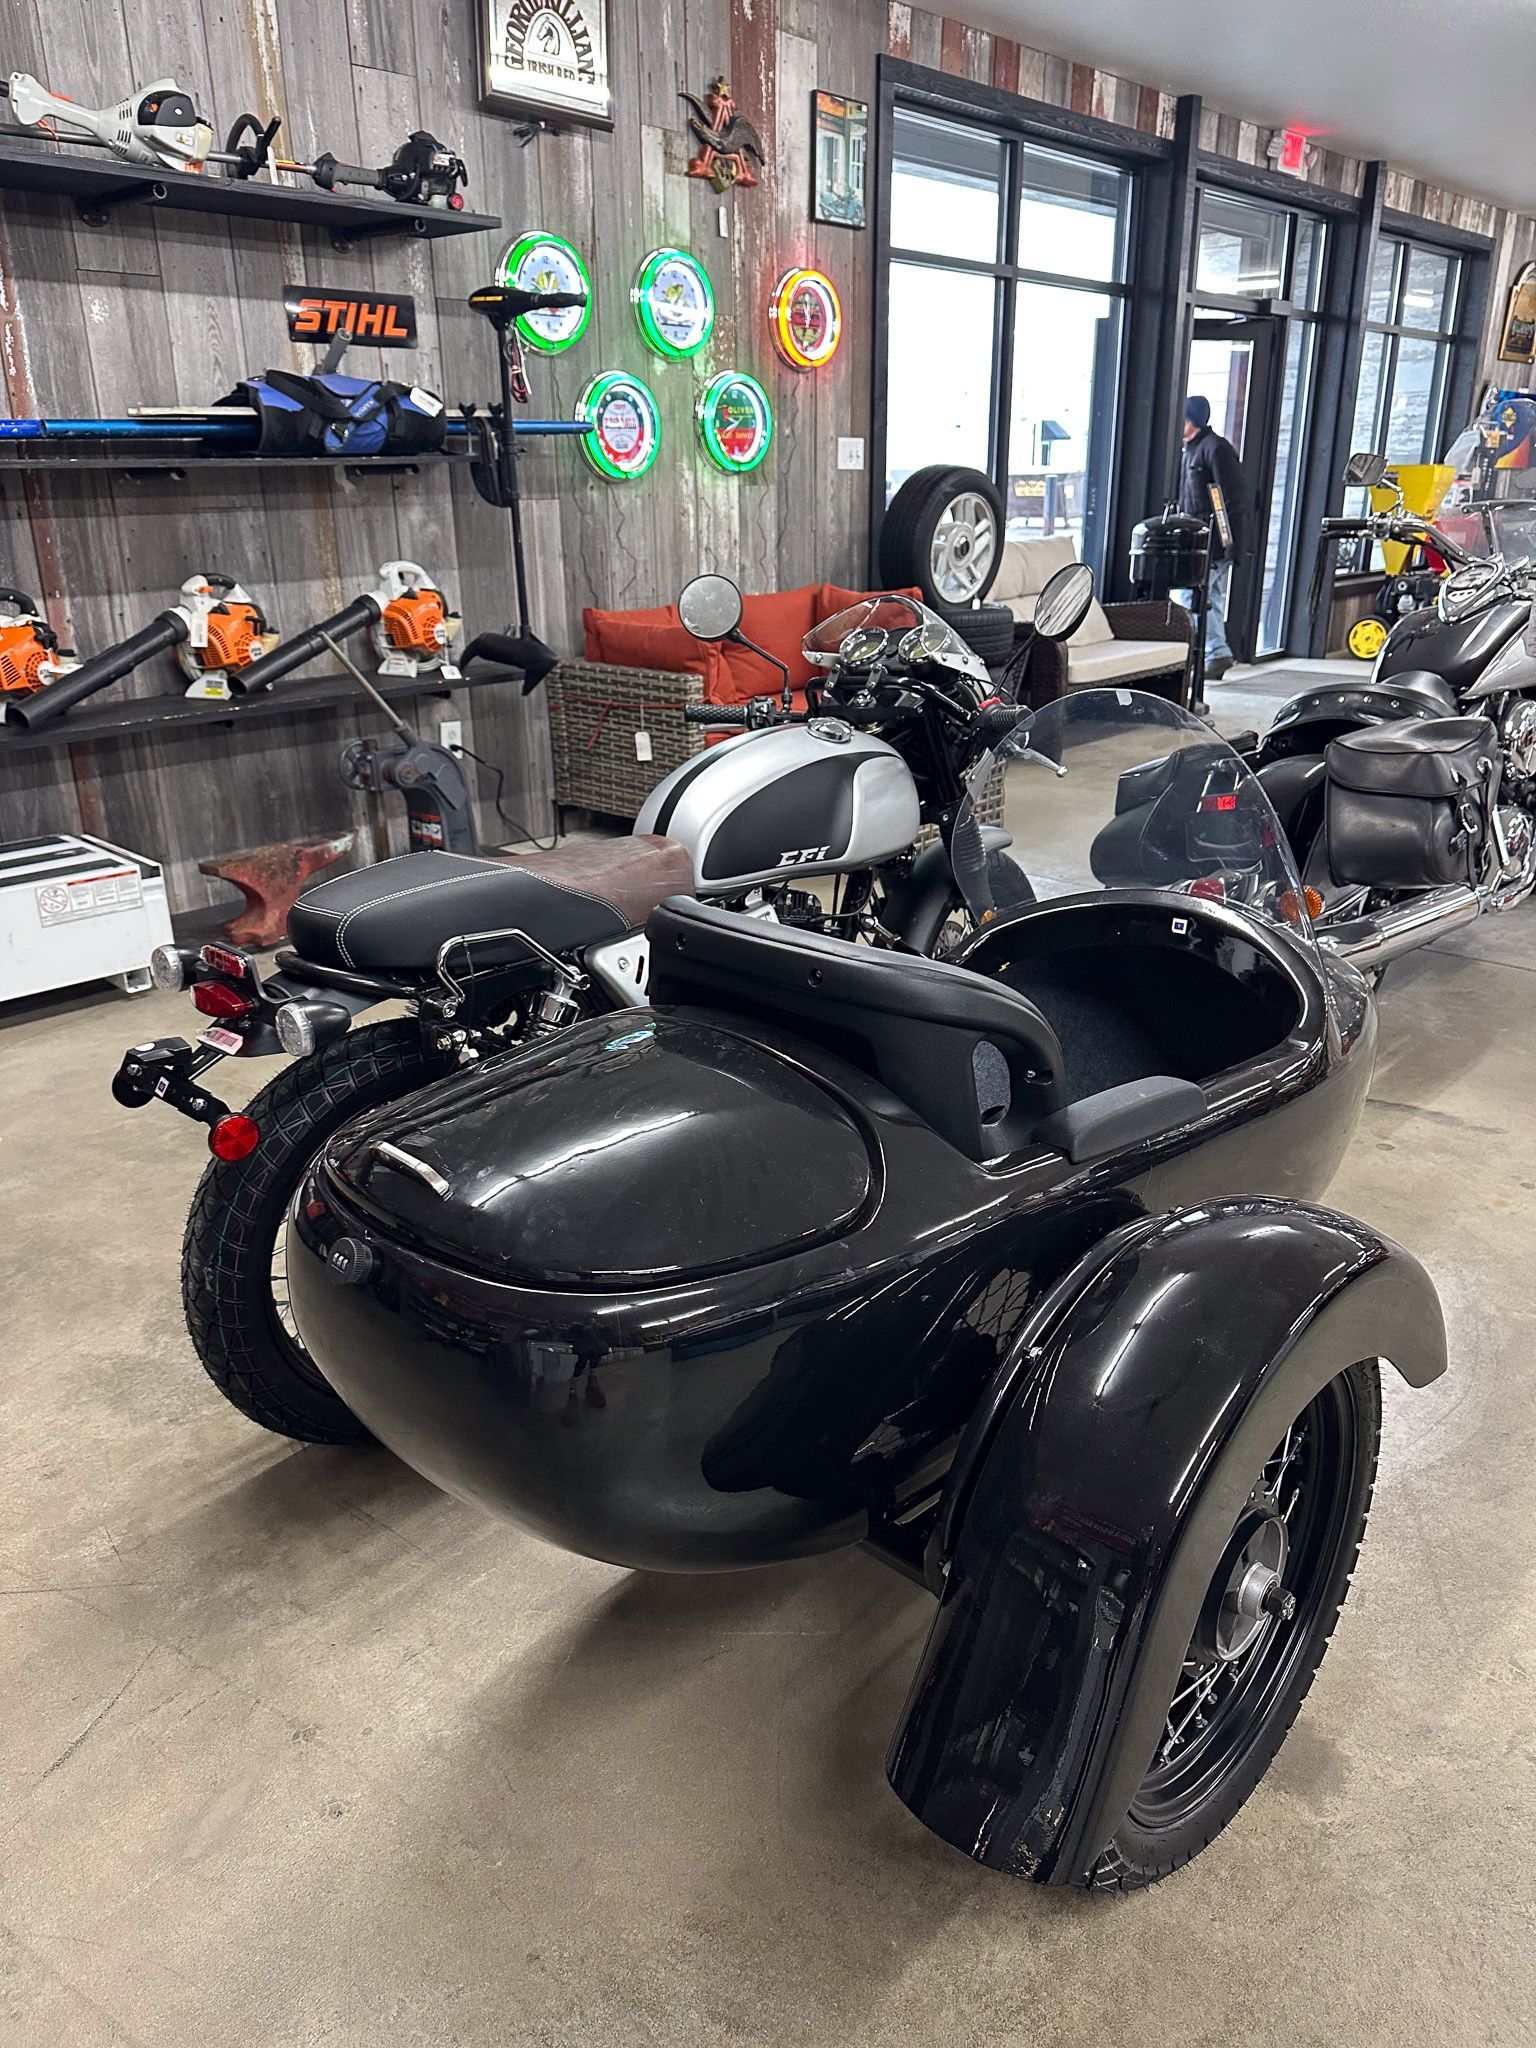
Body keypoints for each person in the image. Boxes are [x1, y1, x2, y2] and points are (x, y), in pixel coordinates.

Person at [1174, 395, 1247, 680]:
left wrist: (1231, 544)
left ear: (1190, 420)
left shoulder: (1214, 449)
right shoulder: (1192, 449)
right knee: (1208, 598)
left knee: (1192, 597)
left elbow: (1231, 499)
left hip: (1213, 543)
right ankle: (1216, 653)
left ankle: (1207, 654)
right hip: (1198, 542)